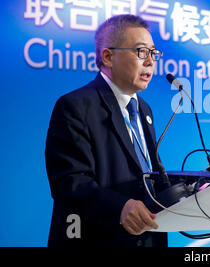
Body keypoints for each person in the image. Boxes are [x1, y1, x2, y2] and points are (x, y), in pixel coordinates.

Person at [45, 14, 170, 247]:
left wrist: (192, 192)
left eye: (154, 53)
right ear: (108, 56)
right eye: (142, 52)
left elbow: (144, 174)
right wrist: (121, 207)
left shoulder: (144, 109)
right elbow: (70, 182)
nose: (151, 61)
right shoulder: (75, 106)